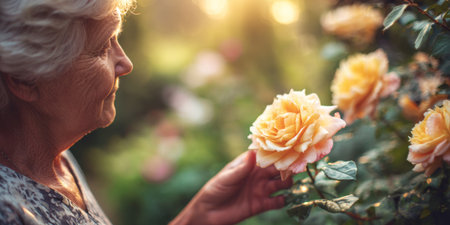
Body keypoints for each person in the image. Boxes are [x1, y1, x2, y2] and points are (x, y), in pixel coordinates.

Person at [0, 0, 292, 224]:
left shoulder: (58, 161)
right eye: (102, 47)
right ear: (25, 80)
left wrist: (201, 214)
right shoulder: (8, 211)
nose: (125, 63)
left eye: (117, 39)